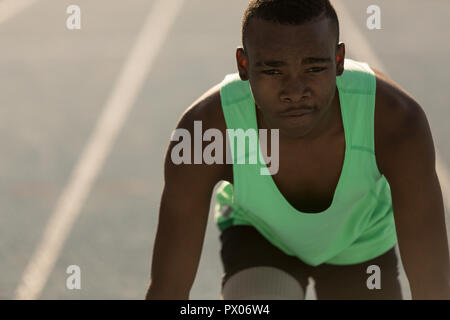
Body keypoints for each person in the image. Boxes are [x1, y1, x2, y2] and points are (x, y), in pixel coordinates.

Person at [146, 0, 450, 300]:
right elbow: (168, 291)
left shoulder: (397, 124)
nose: (294, 91)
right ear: (243, 65)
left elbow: (434, 289)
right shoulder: (205, 132)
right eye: (273, 71)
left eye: (314, 67)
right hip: (259, 235)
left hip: (361, 239)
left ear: (339, 59)